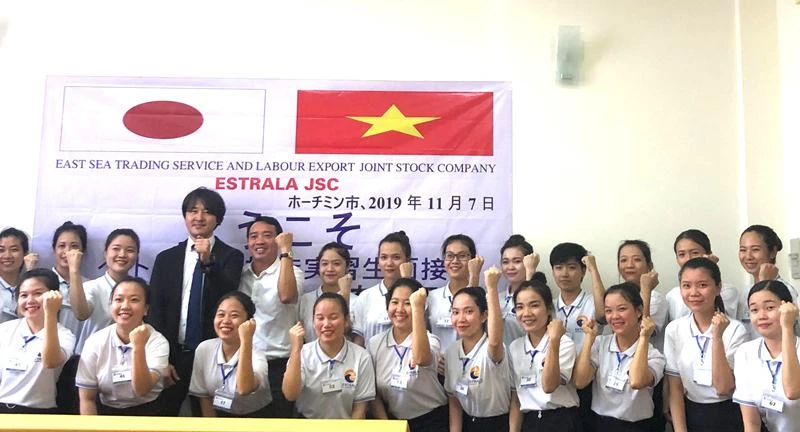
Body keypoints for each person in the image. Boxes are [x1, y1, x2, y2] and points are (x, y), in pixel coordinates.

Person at [149, 187, 244, 416]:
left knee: (209, 419)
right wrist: (160, 358)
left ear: (218, 219)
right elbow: (155, 310)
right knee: (164, 417)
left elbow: (227, 295)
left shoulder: (231, 256)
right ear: (185, 216)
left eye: (207, 211)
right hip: (172, 353)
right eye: (193, 211)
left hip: (213, 355)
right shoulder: (166, 258)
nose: (199, 217)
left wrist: (208, 261)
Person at [665, 257, 749, 432]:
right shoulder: (674, 329)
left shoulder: (735, 329)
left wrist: (717, 337)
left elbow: (724, 388)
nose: (693, 292)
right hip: (691, 412)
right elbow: (675, 388)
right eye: (686, 286)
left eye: (702, 285)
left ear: (718, 287)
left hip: (729, 414)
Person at [60, 227, 137, 414]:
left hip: (127, 366)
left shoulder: (140, 290)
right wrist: (74, 270)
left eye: (130, 250)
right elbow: (81, 313)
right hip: (88, 365)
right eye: (116, 249)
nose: (122, 254)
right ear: (105, 252)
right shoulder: (92, 287)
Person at [572, 283, 665, 432]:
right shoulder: (600, 344)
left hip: (638, 427)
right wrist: (589, 338)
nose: (614, 316)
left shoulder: (653, 355)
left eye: (622, 309)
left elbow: (637, 381)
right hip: (599, 424)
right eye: (608, 311)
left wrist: (644, 337)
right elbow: (579, 381)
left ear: (639, 311)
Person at [76, 276, 169, 415]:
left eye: (134, 300)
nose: (125, 306)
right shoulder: (95, 341)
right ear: (111, 305)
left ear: (146, 309)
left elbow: (142, 390)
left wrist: (138, 347)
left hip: (148, 412)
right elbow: (86, 399)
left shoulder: (158, 341)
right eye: (118, 299)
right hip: (105, 411)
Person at [238, 215, 301, 418]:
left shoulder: (293, 272)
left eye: (267, 235)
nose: (259, 241)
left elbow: (287, 296)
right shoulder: (240, 274)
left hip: (278, 364)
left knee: (278, 422)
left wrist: (286, 251)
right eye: (253, 236)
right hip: (246, 361)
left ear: (278, 240)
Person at [368, 278, 448, 431]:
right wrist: (386, 425)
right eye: (394, 302)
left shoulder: (431, 341)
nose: (399, 309)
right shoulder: (375, 344)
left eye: (407, 303)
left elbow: (421, 358)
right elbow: (373, 392)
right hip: (392, 421)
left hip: (431, 421)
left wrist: (417, 308)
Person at [283, 292, 376, 419]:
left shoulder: (361, 357)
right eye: (320, 318)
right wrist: (296, 349)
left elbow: (359, 410)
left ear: (346, 320)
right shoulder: (302, 353)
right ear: (313, 322)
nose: (326, 324)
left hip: (347, 425)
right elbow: (290, 395)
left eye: (333, 317)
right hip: (308, 424)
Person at [508, 277, 581, 431]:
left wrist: (554, 341)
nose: (526, 313)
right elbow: (516, 398)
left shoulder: (564, 343)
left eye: (534, 305)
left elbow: (549, 386)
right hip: (530, 421)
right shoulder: (515, 347)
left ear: (548, 309)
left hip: (561, 420)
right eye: (520, 307)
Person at [444, 267, 511, 432]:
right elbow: (454, 400)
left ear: (484, 316)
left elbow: (495, 341)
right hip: (468, 423)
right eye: (455, 312)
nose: (461, 319)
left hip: (496, 425)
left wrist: (492, 288)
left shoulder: (492, 348)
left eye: (468, 312)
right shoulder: (451, 351)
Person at [0, 269, 75, 413]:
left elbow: (50, 362)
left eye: (38, 293)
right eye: (23, 295)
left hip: (40, 412)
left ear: (55, 296)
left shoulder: (65, 335)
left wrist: (50, 313)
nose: (30, 300)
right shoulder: (4, 330)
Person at [190, 292, 271, 417]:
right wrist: (212, 426)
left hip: (255, 417)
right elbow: (203, 395)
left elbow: (244, 388)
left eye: (234, 315)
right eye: (221, 314)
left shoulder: (257, 354)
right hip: (217, 414)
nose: (226, 321)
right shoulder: (204, 349)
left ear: (248, 322)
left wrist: (246, 340)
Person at [733, 280, 800, 432]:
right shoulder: (745, 352)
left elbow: (792, 391)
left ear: (788, 308)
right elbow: (751, 423)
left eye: (770, 308)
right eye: (754, 310)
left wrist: (787, 327)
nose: (761, 316)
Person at [737, 225, 799, 338]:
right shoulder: (745, 292)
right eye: (743, 250)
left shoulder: (786, 290)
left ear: (773, 252)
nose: (748, 256)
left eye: (755, 249)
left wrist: (765, 282)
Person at [353, 231, 413, 347]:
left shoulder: (418, 295)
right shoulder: (366, 297)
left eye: (396, 257)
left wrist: (406, 281)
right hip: (371, 358)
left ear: (407, 261)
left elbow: (419, 329)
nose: (389, 263)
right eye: (384, 257)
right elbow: (359, 341)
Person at [427, 234, 483, 356]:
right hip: (438, 364)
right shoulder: (431, 298)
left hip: (472, 363)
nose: (455, 261)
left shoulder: (485, 298)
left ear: (472, 260)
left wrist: (474, 278)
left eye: (462, 256)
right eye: (450, 256)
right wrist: (433, 357)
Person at [666, 229, 739, 322]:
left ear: (709, 254)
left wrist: (711, 268)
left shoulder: (728, 291)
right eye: (681, 254)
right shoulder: (672, 295)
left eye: (695, 253)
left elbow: (723, 320)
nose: (688, 259)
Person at [298, 242, 354, 342]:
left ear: (347, 267)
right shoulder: (306, 300)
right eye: (324, 264)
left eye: (336, 264)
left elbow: (347, 332)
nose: (330, 269)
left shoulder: (357, 301)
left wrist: (345, 296)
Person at [498, 234, 533, 346]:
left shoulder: (539, 298)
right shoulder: (496, 298)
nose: (510, 267)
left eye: (517, 261)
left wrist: (530, 272)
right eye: (505, 262)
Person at [0, 228, 34, 324]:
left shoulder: (30, 285)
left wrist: (30, 272)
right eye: (1, 250)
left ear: (25, 254)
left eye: (14, 250)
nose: (7, 256)